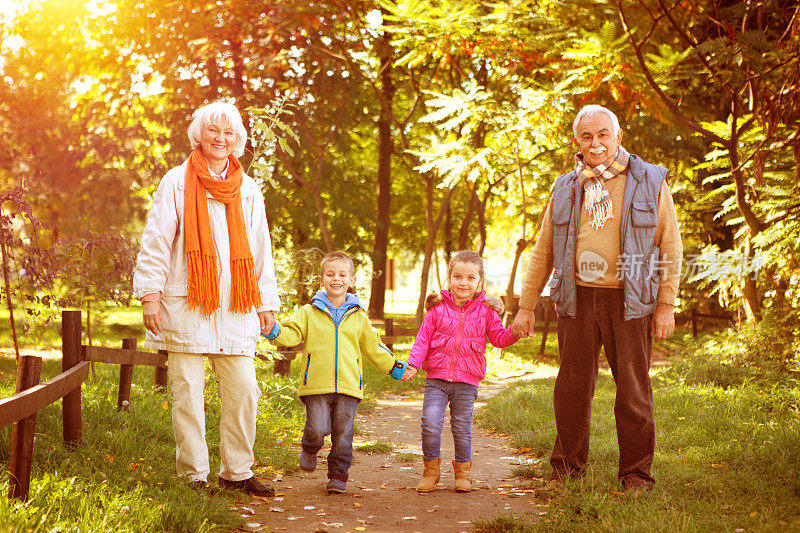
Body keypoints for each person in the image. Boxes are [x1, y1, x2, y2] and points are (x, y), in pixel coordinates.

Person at [510, 105, 683, 492]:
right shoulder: (567, 186)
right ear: (578, 142)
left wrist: (666, 304)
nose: (596, 143)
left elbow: (670, 244)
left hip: (631, 299)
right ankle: (566, 470)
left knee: (634, 391)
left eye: (603, 134)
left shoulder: (650, 180)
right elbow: (544, 250)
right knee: (571, 389)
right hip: (576, 298)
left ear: (617, 137)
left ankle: (636, 477)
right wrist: (525, 307)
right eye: (587, 136)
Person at [133, 101, 279, 497]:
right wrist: (150, 295)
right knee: (187, 395)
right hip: (187, 307)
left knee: (244, 390)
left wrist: (265, 302)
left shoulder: (247, 189)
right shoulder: (177, 181)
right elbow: (157, 242)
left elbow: (261, 248)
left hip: (235, 308)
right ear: (199, 135)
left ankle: (238, 471)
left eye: (229, 132)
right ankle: (194, 476)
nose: (221, 138)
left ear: (238, 141)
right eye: (214, 130)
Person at [262, 251, 402, 494]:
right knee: (317, 427)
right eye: (330, 274)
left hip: (349, 386)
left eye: (342, 274)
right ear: (321, 279)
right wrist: (275, 331)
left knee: (343, 432)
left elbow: (373, 346)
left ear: (351, 280)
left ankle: (338, 475)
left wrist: (393, 366)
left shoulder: (359, 316)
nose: (336, 279)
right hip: (316, 383)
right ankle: (309, 446)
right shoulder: (308, 312)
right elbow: (292, 334)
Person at [402, 251, 519, 493]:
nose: (463, 283)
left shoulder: (487, 312)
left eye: (470, 278)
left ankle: (463, 473)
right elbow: (422, 340)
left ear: (479, 281)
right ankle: (431, 472)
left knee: (461, 427)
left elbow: (498, 338)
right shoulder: (437, 309)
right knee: (430, 423)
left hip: (467, 380)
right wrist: (413, 364)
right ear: (449, 278)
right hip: (437, 377)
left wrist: (515, 333)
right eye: (457, 277)